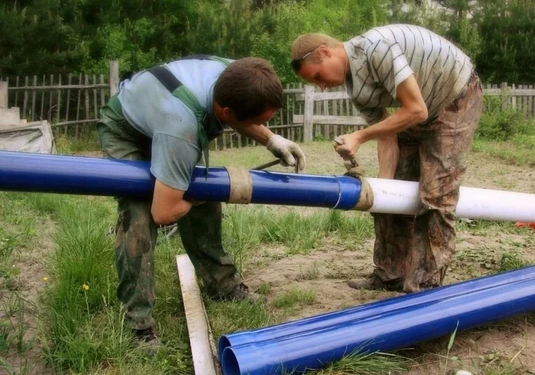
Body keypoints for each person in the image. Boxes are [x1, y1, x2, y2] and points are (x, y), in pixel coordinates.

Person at [97, 55, 306, 348]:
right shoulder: (182, 128)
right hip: (127, 129)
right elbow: (164, 212)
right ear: (226, 111)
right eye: (258, 123)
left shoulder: (239, 74)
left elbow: (238, 113)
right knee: (140, 214)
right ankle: (138, 324)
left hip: (165, 114)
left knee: (203, 189)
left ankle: (222, 285)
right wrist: (192, 197)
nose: (261, 126)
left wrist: (271, 139)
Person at [291, 24, 482, 293]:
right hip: (418, 107)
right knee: (390, 196)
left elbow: (415, 110)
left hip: (455, 97)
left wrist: (359, 136)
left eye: (318, 76)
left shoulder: (375, 49)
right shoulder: (356, 89)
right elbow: (387, 136)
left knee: (436, 196)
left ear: (325, 52)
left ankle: (425, 287)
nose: (321, 87)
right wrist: (385, 189)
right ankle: (390, 274)